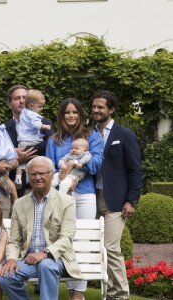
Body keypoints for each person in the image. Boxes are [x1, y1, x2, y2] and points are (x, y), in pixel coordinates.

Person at [0, 156, 82, 300]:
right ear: (28, 176)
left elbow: (66, 238)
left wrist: (44, 254)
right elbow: (14, 240)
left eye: (41, 173)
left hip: (56, 258)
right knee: (5, 278)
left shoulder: (67, 202)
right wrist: (11, 259)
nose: (37, 177)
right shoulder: (19, 203)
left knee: (45, 265)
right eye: (33, 174)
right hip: (28, 259)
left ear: (51, 174)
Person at [46, 98, 104, 300]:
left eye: (75, 112)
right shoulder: (54, 140)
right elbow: (49, 167)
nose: (71, 116)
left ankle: (77, 293)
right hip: (60, 194)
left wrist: (74, 170)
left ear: (80, 114)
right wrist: (63, 173)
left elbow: (96, 162)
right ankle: (70, 287)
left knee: (83, 242)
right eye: (67, 113)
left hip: (85, 193)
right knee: (64, 240)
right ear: (61, 116)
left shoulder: (92, 135)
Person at [91, 90, 142, 300]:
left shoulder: (124, 135)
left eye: (100, 107)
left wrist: (131, 200)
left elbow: (135, 170)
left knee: (110, 248)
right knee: (97, 248)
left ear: (111, 110)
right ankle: (110, 292)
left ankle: (120, 295)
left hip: (116, 200)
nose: (95, 110)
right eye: (94, 107)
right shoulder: (89, 134)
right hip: (91, 197)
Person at [4, 85, 54, 197]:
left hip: (42, 187)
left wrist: (20, 152)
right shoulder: (3, 128)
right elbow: (0, 154)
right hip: (15, 190)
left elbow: (50, 144)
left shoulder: (44, 121)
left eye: (25, 97)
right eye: (17, 98)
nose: (22, 101)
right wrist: (14, 155)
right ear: (9, 104)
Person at [15, 90, 51, 189]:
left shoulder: (24, 112)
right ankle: (27, 178)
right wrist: (46, 127)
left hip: (22, 142)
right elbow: (36, 125)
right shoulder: (33, 114)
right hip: (32, 140)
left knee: (22, 162)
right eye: (39, 106)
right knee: (34, 161)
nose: (41, 109)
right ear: (31, 105)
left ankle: (18, 177)